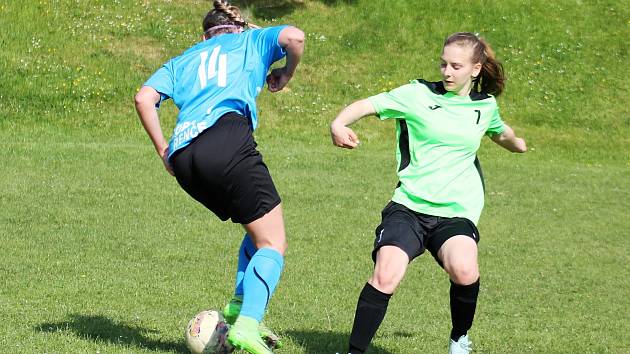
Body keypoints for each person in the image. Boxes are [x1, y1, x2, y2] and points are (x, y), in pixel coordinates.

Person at [330, 32, 527, 354]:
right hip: (409, 206)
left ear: (476, 69)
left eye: (456, 66)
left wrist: (516, 143)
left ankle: (459, 340)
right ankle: (354, 352)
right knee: (386, 275)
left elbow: (499, 131)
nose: (447, 72)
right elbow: (368, 105)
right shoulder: (416, 94)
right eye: (443, 64)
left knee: (465, 270)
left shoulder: (484, 107)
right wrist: (338, 124)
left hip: (455, 211)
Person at [134, 1, 304, 353]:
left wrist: (163, 149)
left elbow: (144, 97)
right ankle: (247, 326)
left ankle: (240, 307)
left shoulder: (185, 58)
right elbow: (295, 37)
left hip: (184, 158)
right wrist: (286, 71)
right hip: (226, 141)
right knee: (274, 243)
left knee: (256, 229)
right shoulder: (249, 41)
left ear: (205, 35)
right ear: (238, 28)